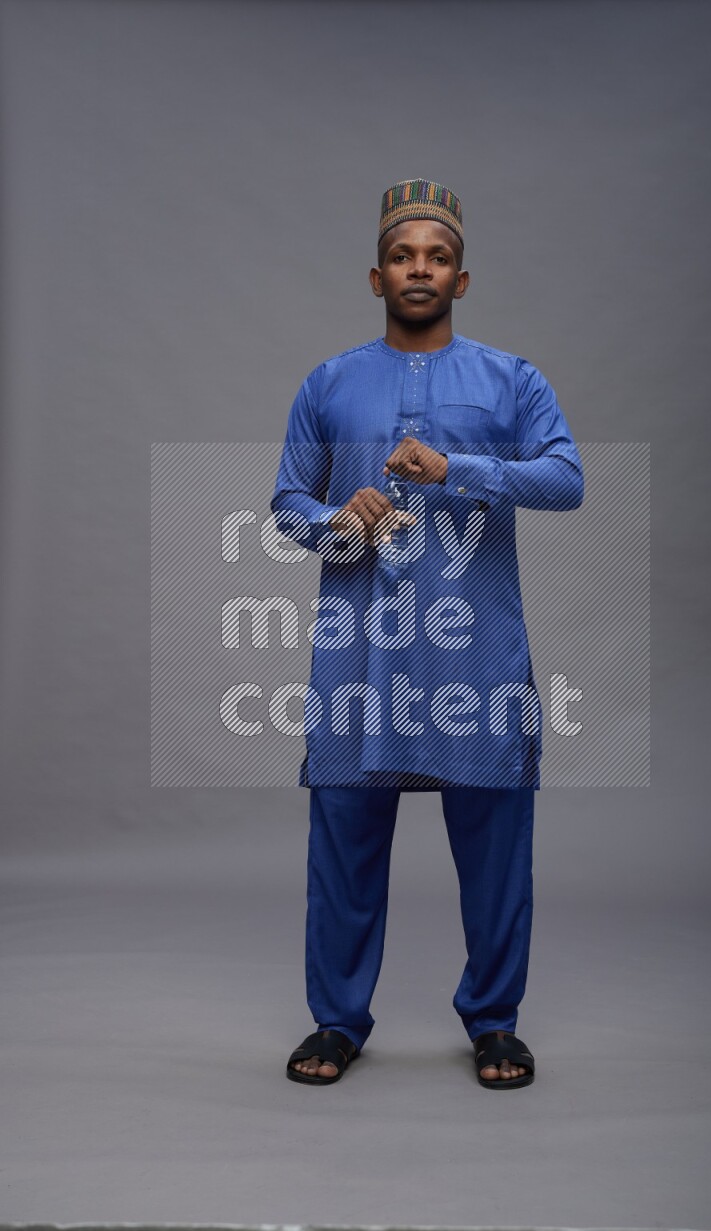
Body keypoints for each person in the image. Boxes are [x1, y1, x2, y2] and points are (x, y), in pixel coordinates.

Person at [271, 178, 583, 1088]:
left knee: (494, 842)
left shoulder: (510, 379)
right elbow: (285, 510)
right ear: (376, 277)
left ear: (462, 277)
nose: (420, 269)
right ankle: (335, 1021)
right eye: (403, 256)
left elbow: (566, 480)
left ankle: (494, 1020)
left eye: (436, 257)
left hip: (475, 651)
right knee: (343, 843)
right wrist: (342, 519)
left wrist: (461, 468)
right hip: (360, 655)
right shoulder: (328, 383)